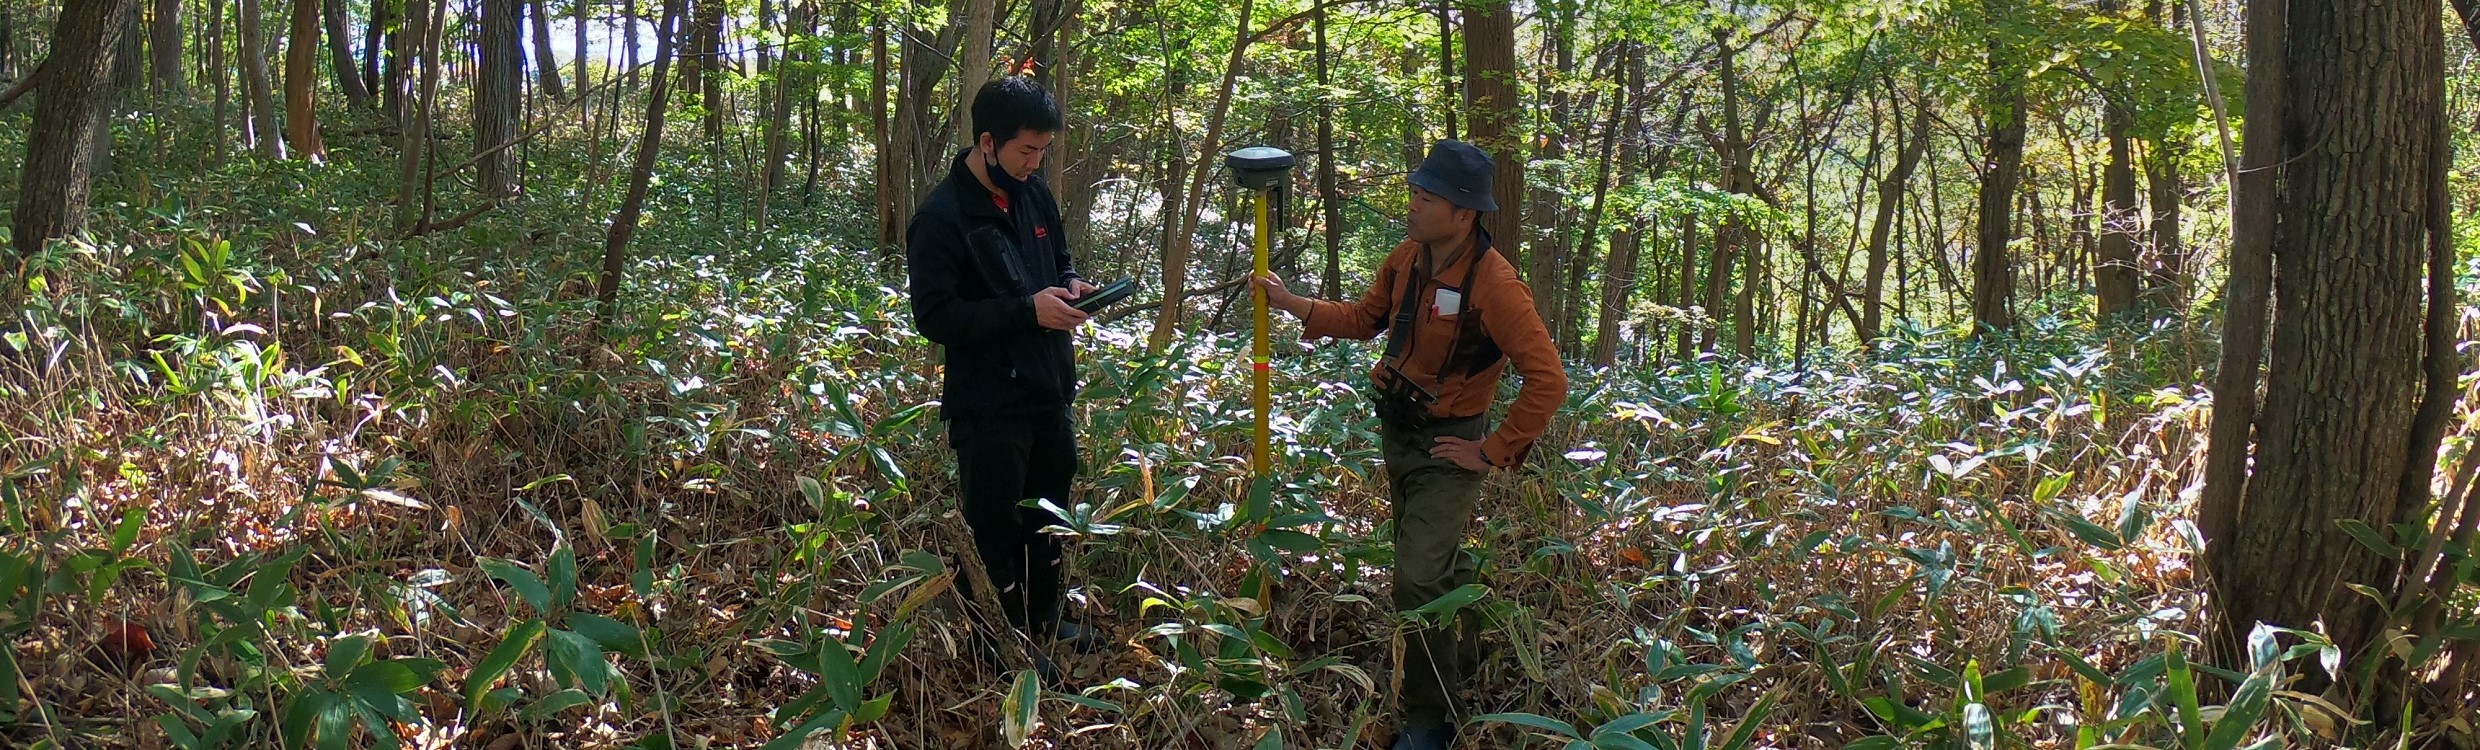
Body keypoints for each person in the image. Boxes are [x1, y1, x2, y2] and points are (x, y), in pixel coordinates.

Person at [1253, 140, 1570, 750]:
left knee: (1416, 579)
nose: (1414, 204)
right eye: (1415, 192)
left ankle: (1431, 717)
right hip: (1399, 429)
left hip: (1451, 446)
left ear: (1464, 213)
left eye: (1429, 198)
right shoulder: (1407, 259)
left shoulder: (1496, 284)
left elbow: (1547, 378)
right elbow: (1366, 319)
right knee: (1436, 564)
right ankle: (1470, 646)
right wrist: (1295, 304)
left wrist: (1491, 450)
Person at [904, 75, 1102, 674]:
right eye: (1025, 150)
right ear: (988, 142)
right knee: (994, 526)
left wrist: (1070, 287)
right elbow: (935, 317)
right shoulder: (941, 218)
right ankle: (997, 640)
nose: (1035, 162)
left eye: (1042, 151)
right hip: (987, 403)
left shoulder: (1035, 193)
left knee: (1050, 513)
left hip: (1049, 390)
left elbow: (1059, 258)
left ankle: (1045, 617)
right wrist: (1026, 311)